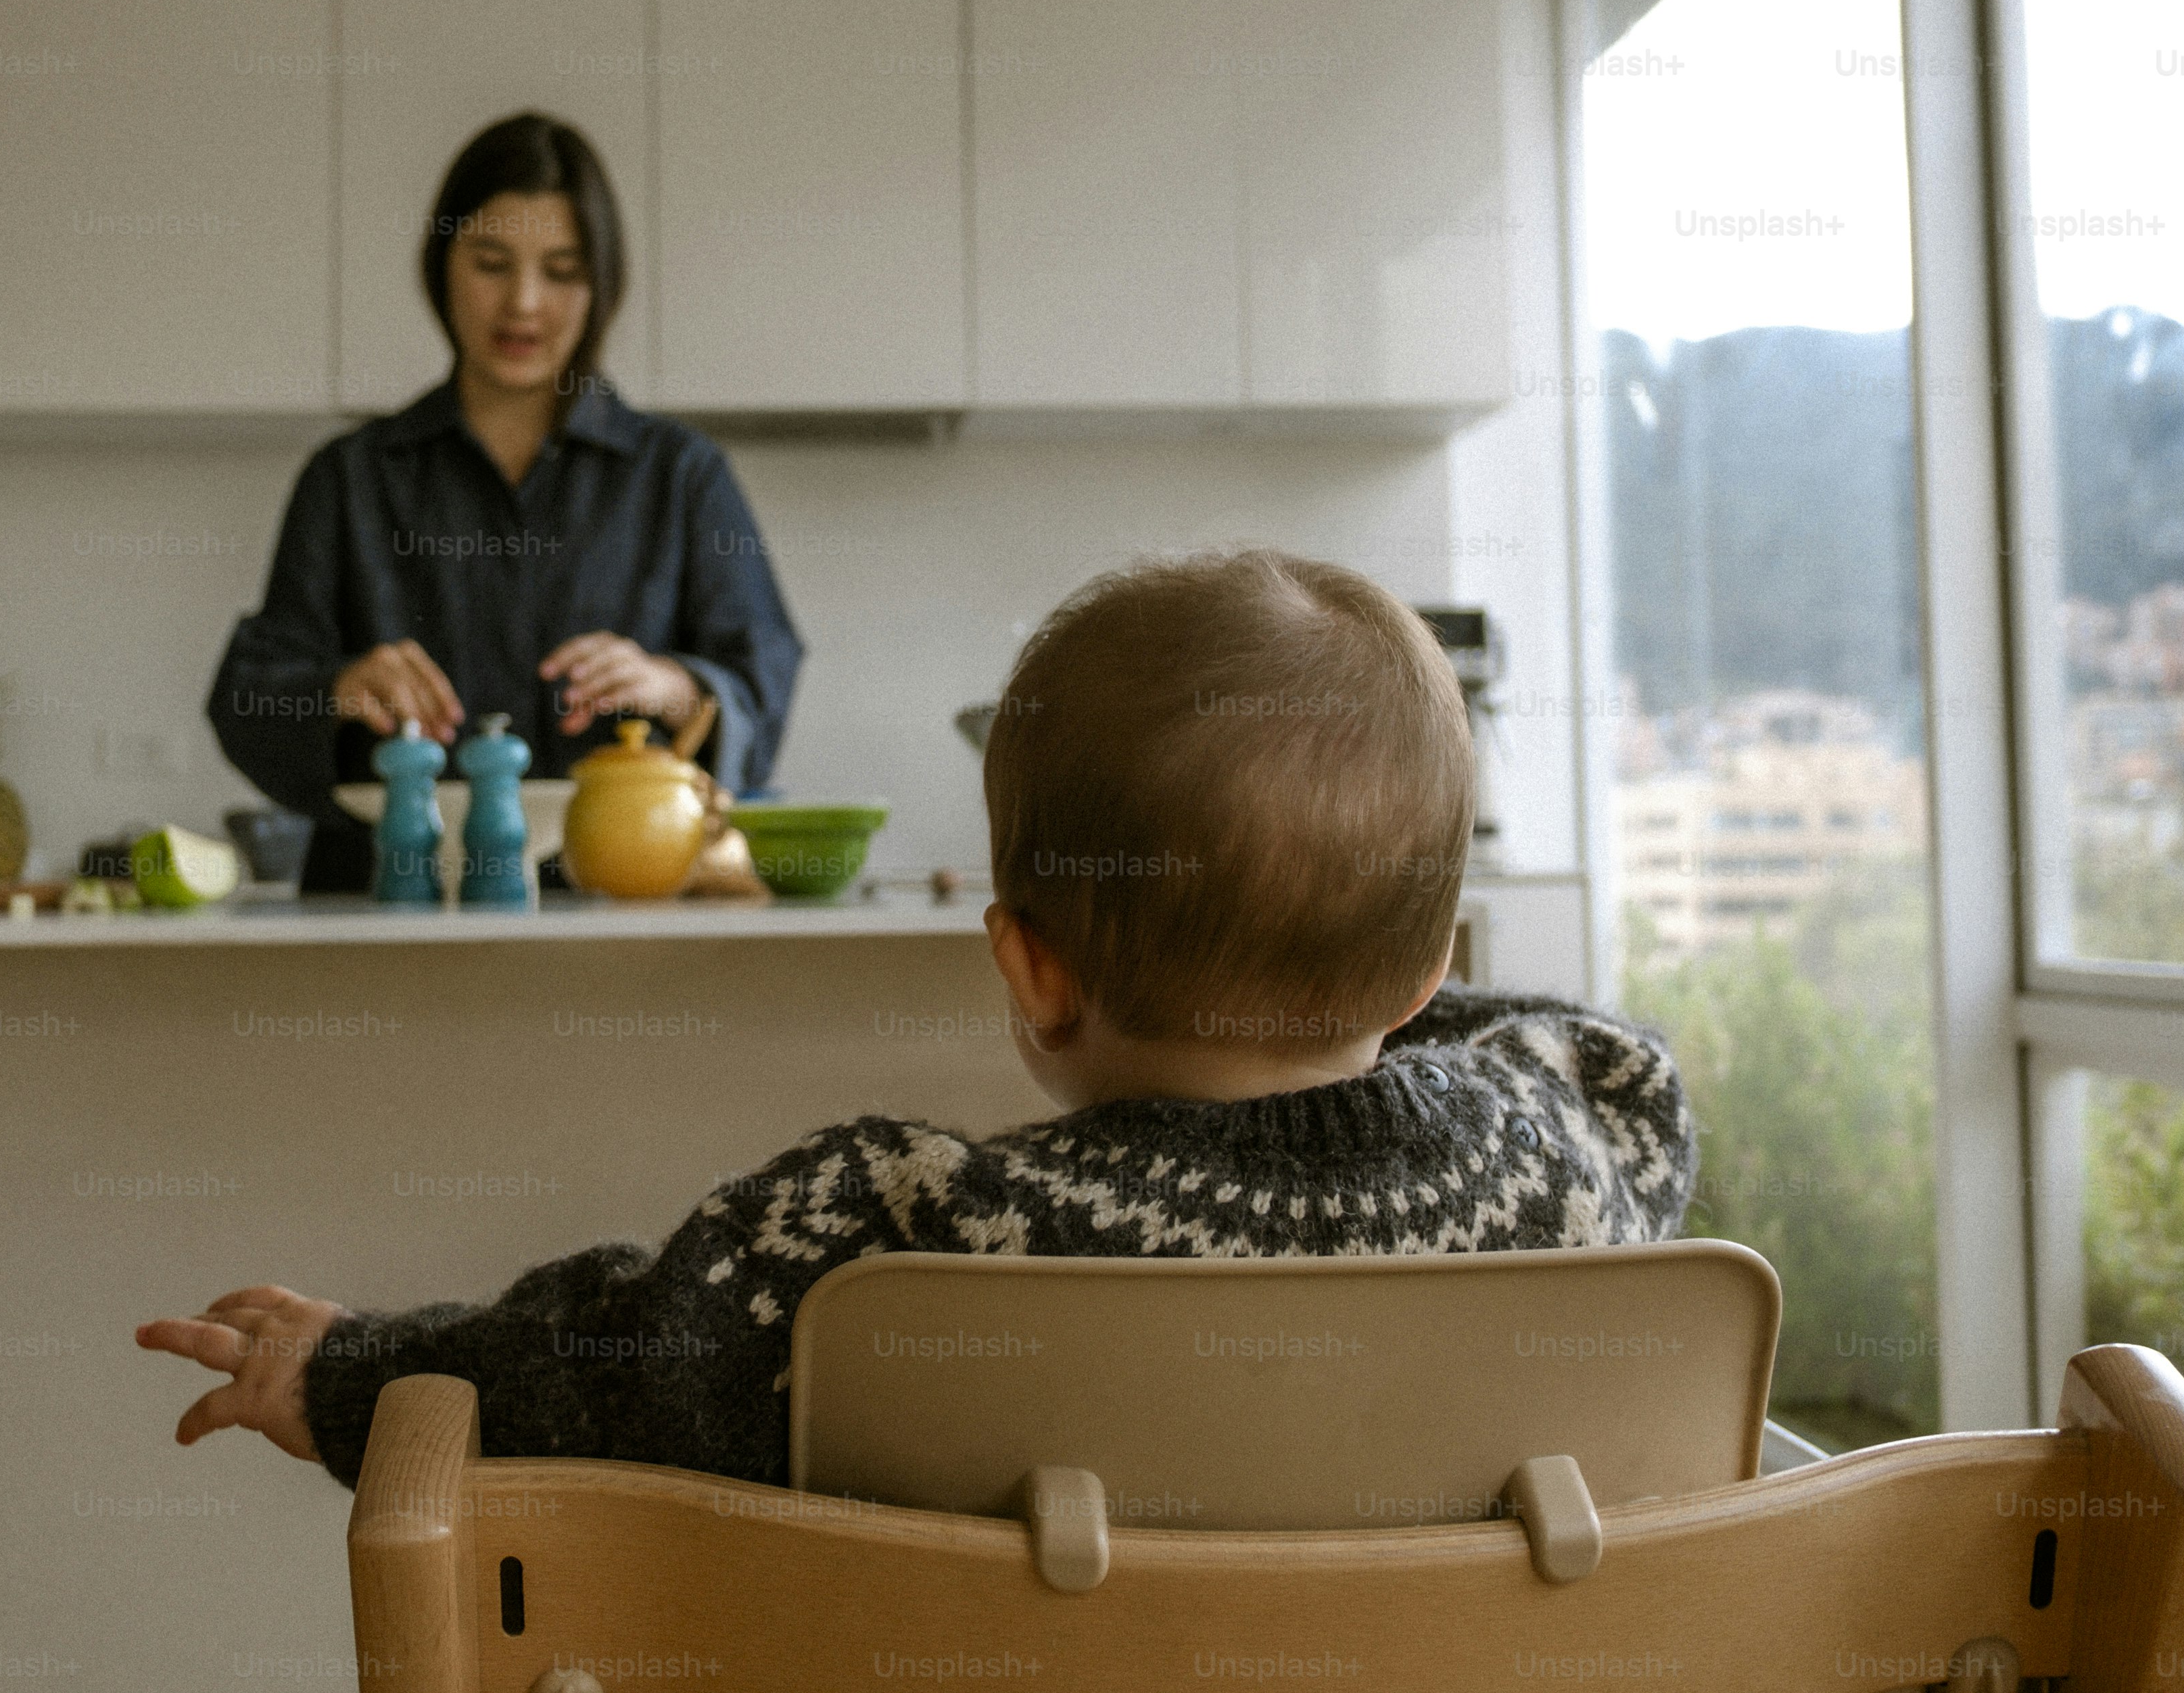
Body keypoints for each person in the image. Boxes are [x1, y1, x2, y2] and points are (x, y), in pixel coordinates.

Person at [141, 550, 1695, 1487]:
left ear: (1024, 965)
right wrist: (1359, 973)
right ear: (1430, 973)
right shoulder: (1552, 1144)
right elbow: (1604, 1058)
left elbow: (616, 1363)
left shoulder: (901, 1235)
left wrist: (359, 1367)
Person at [206, 112, 802, 893]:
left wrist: (676, 684)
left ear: (601, 286)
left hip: (625, 913)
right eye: (492, 262)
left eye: (560, 271)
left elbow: (762, 686)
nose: (523, 302)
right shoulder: (349, 478)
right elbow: (247, 704)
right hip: (382, 910)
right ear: (441, 264)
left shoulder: (682, 477)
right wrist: (335, 691)